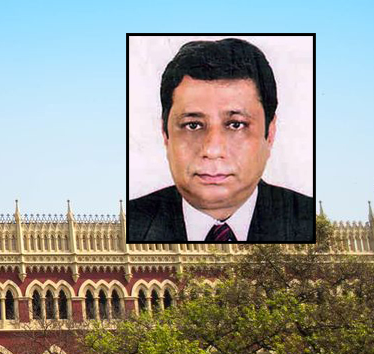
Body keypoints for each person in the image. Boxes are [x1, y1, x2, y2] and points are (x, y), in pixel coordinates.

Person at [128, 38, 314, 243]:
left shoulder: (309, 222)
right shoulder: (132, 223)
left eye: (236, 125)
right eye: (193, 125)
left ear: (270, 133)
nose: (213, 149)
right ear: (165, 133)